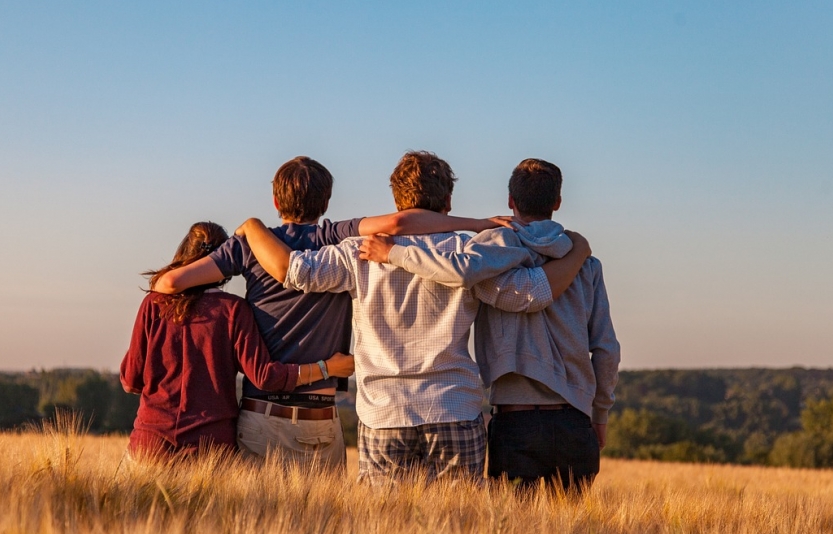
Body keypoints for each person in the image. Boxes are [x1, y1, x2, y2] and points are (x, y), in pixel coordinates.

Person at [239, 151, 591, 485]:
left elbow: (295, 272)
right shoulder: (468, 252)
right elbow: (528, 295)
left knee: (385, 531)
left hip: (384, 412)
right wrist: (577, 252)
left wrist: (253, 228)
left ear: (396, 201)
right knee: (460, 529)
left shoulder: (357, 251)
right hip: (453, 407)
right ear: (448, 203)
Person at [152, 156, 513, 469]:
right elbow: (401, 224)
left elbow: (169, 285)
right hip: (322, 417)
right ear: (326, 202)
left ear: (276, 201)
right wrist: (478, 224)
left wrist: (247, 231)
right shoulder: (336, 237)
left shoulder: (250, 245)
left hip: (263, 413)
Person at [360, 158, 620, 493]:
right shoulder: (586, 264)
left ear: (511, 201)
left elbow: (459, 271)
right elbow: (606, 348)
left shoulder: (489, 252)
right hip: (575, 421)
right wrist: (600, 414)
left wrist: (394, 253)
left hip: (515, 421)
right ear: (557, 202)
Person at [120, 221, 354, 460]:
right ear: (224, 261)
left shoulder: (153, 304)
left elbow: (131, 381)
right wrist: (327, 368)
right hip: (210, 449)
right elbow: (265, 376)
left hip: (150, 444)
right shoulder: (233, 310)